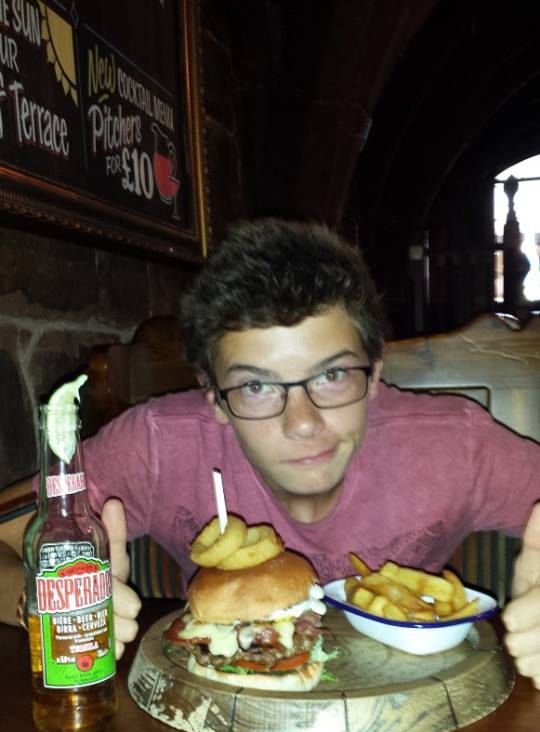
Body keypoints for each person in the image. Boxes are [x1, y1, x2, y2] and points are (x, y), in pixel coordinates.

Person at [1, 219, 540, 684]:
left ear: (375, 375)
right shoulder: (158, 444)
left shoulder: (456, 443)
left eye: (332, 375)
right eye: (256, 386)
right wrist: (44, 608)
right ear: (214, 398)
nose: (302, 423)